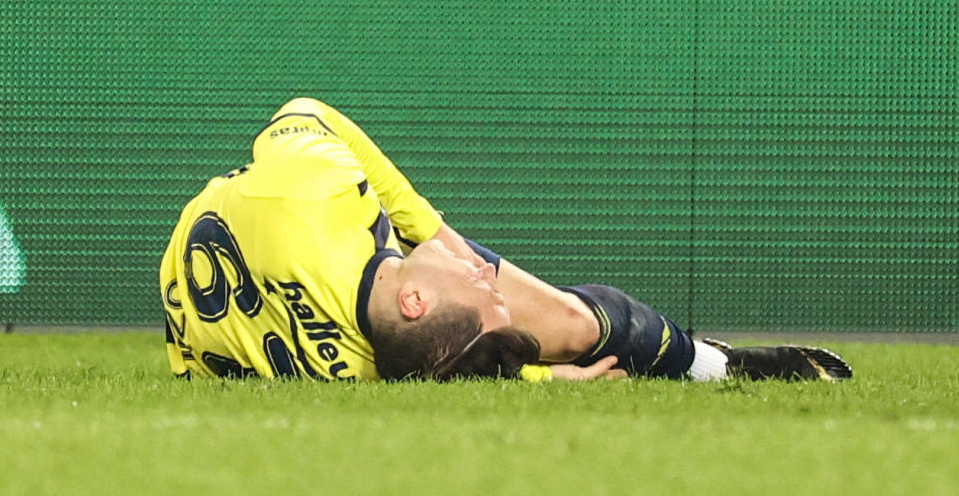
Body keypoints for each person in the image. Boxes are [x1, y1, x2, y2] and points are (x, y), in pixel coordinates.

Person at [160, 98, 852, 384]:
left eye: (481, 290)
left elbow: (304, 113)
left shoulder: (318, 183)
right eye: (485, 291)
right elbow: (442, 375)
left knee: (575, 324)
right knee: (580, 324)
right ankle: (717, 369)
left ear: (413, 300)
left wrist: (429, 230)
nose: (488, 283)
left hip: (299, 240)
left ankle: (713, 362)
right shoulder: (377, 365)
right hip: (318, 269)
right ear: (412, 302)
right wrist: (545, 378)